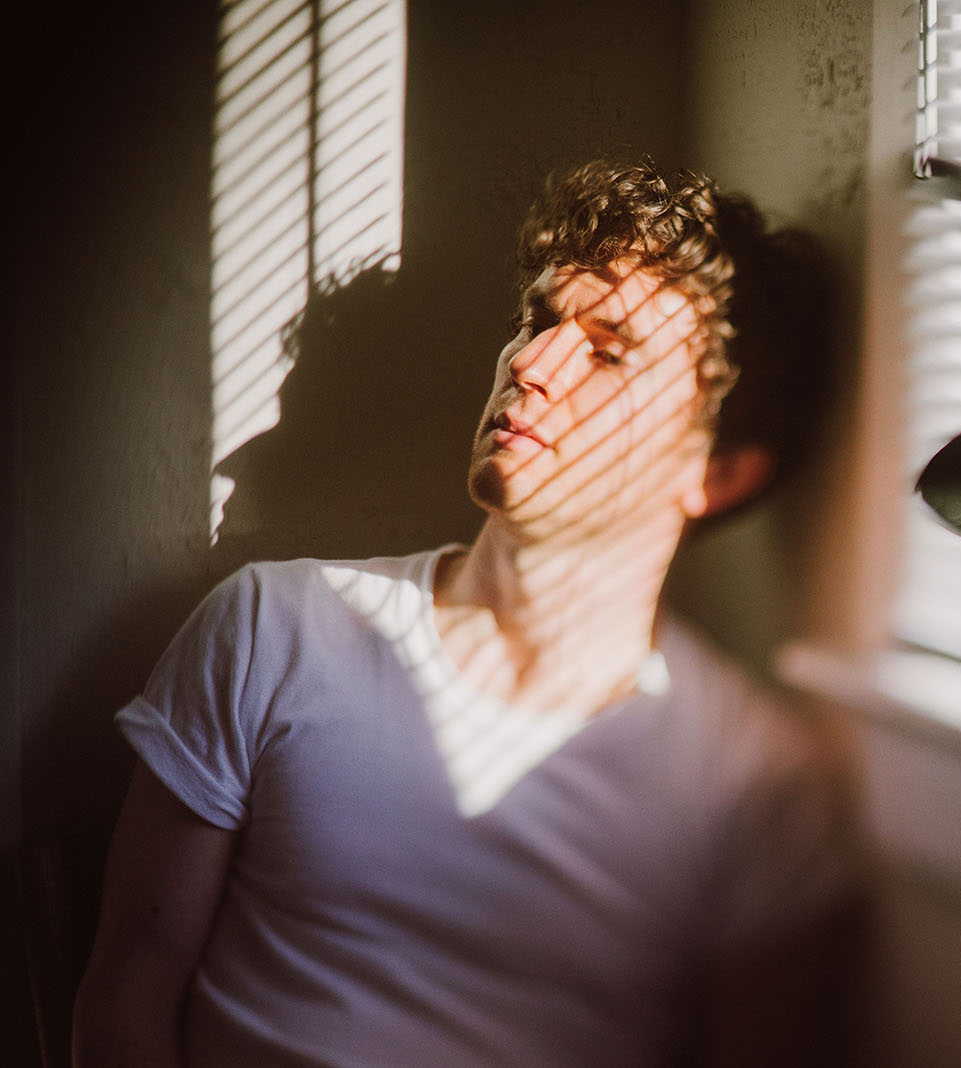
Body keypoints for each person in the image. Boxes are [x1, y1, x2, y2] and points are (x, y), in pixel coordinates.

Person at [72, 159, 864, 1068]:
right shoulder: (275, 630)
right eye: (535, 320)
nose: (530, 363)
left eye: (608, 350)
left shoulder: (753, 784)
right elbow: (124, 1000)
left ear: (716, 471)